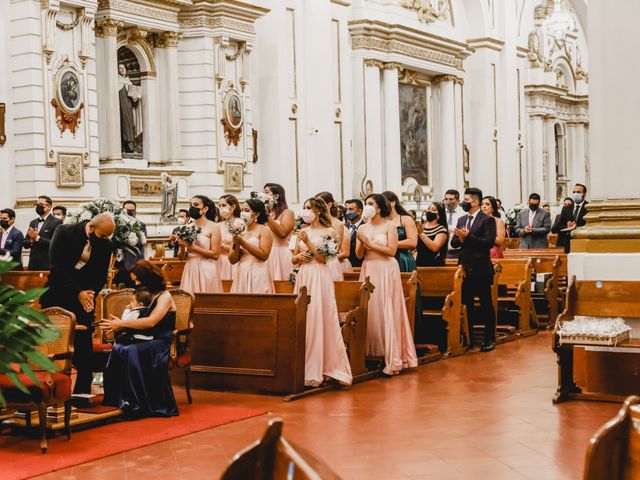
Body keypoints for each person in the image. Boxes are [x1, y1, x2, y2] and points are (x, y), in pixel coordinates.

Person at [40, 213, 115, 394]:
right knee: (55, 343)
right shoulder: (64, 232)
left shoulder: (105, 244)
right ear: (91, 228)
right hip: (57, 293)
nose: (104, 239)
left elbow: (100, 275)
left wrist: (90, 294)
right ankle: (52, 391)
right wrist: (77, 293)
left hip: (85, 297)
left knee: (83, 341)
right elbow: (57, 268)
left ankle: (82, 390)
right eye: (102, 235)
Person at [101, 260, 178, 418]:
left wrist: (121, 323)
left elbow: (151, 322)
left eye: (137, 280)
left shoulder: (165, 296)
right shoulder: (146, 295)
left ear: (147, 279)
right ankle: (119, 399)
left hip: (159, 342)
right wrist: (121, 322)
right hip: (145, 338)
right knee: (119, 348)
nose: (135, 283)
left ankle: (137, 404)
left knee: (130, 351)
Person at [293, 198, 352, 387]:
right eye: (304, 208)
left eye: (309, 208)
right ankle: (303, 363)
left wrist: (308, 243)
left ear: (318, 211)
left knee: (319, 315)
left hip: (320, 276)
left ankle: (324, 365)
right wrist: (298, 256)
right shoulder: (303, 231)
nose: (305, 211)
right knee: (305, 316)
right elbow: (293, 259)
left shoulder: (330, 232)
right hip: (304, 275)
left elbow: (322, 259)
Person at [356, 194, 418, 375]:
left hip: (385, 269)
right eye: (366, 204)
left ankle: (391, 357)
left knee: (386, 309)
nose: (367, 206)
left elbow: (391, 251)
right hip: (368, 268)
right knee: (371, 311)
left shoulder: (390, 226)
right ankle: (370, 354)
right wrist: (361, 242)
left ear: (380, 207)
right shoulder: (363, 227)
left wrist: (369, 244)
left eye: (370, 204)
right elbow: (359, 255)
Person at [451, 187, 497, 352]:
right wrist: (461, 238)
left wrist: (468, 237)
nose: (464, 203)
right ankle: (469, 338)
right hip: (464, 266)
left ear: (475, 202)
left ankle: (489, 338)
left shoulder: (487, 220)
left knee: (485, 304)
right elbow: (455, 243)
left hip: (481, 266)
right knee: (467, 303)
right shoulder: (462, 219)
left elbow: (488, 242)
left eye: (466, 200)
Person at [229, 199, 274, 294]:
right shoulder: (239, 229)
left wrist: (242, 243)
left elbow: (264, 255)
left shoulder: (264, 230)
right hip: (241, 270)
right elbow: (232, 260)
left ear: (256, 214)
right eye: (242, 210)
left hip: (257, 271)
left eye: (247, 210)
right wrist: (236, 244)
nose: (243, 213)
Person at [179, 195, 223, 293]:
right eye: (191, 205)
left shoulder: (214, 227)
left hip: (207, 268)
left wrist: (193, 247)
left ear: (205, 209)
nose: (192, 207)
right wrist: (182, 247)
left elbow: (215, 255)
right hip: (190, 267)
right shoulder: (187, 227)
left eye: (196, 205)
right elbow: (182, 257)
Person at [263, 183, 295, 281]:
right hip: (267, 253)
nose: (264, 195)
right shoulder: (265, 214)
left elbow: (282, 233)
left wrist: (267, 216)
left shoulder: (287, 213)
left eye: (266, 192)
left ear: (276, 196)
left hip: (281, 253)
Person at [23, 195, 62, 270]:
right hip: (32, 263)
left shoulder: (57, 222)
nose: (38, 207)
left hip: (47, 264)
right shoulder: (33, 222)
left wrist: (37, 238)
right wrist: (31, 240)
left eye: (40, 205)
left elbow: (55, 244)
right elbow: (25, 244)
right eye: (37, 204)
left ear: (49, 206)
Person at [315, 191, 348, 280]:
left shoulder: (337, 224)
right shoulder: (314, 223)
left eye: (320, 204)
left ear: (329, 205)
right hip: (315, 263)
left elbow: (336, 248)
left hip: (330, 263)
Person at [382, 191, 418, 272]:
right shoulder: (382, 220)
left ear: (392, 203)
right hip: (385, 258)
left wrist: (390, 245)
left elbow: (413, 242)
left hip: (403, 258)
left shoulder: (406, 219)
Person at [114, 200, 147, 287]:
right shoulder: (116, 224)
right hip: (119, 263)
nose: (130, 213)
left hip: (134, 263)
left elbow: (140, 243)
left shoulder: (141, 225)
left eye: (133, 211)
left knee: (134, 288)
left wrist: (124, 238)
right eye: (128, 211)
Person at [553, 184, 589, 253]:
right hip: (568, 243)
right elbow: (558, 227)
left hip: (583, 242)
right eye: (574, 192)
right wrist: (567, 226)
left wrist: (577, 227)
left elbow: (590, 226)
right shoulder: (566, 209)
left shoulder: (588, 207)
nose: (575, 194)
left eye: (578, 192)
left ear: (584, 194)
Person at [416, 202, 448, 267]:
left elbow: (435, 247)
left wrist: (422, 234)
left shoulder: (441, 229)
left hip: (434, 264)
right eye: (428, 208)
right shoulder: (421, 226)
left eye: (433, 210)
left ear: (438, 215)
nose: (429, 211)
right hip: (419, 262)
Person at [217, 194, 241, 281]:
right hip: (219, 261)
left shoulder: (240, 223)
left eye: (223, 205)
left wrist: (222, 246)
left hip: (233, 261)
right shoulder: (218, 225)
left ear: (233, 207)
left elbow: (241, 247)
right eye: (219, 206)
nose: (221, 208)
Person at [443, 189, 463, 260]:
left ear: (458, 200)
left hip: (458, 251)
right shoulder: (441, 213)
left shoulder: (464, 213)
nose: (448, 201)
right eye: (446, 199)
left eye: (451, 199)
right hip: (442, 251)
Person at [344, 199, 365, 268]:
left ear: (359, 211)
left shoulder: (365, 226)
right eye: (347, 209)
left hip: (359, 266)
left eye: (351, 209)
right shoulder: (344, 227)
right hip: (345, 265)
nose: (347, 212)